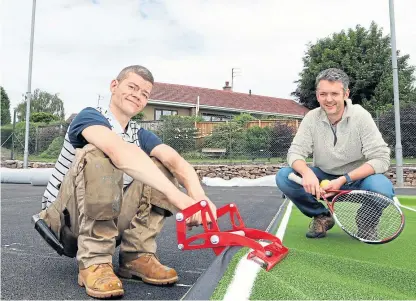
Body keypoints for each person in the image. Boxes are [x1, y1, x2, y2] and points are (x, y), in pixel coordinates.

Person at [34, 65, 217, 299]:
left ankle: (136, 256)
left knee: (161, 164)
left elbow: (177, 163)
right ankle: (95, 261)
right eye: (132, 87)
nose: (138, 95)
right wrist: (178, 197)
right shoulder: (89, 116)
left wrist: (199, 199)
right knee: (100, 154)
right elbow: (118, 151)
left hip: (105, 215)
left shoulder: (138, 133)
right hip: (62, 221)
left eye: (144, 93)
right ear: (114, 86)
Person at [276, 68, 393, 239]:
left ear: (346, 94)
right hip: (323, 178)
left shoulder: (361, 116)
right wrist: (307, 173)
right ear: (317, 95)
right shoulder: (311, 118)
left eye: (334, 94)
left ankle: (366, 222)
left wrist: (343, 179)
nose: (328, 99)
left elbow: (381, 159)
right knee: (284, 176)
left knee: (382, 189)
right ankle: (322, 216)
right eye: (323, 94)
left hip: (356, 180)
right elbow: (295, 152)